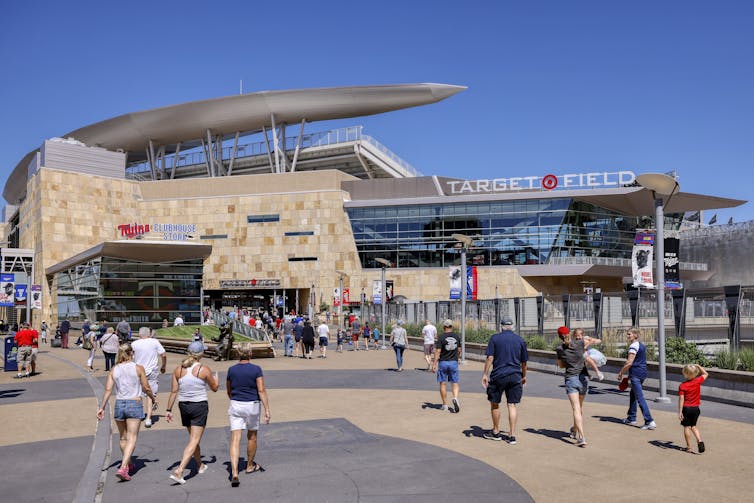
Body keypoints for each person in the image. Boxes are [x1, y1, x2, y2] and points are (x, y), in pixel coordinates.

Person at [96, 343, 157, 482]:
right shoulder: (138, 368)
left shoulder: (114, 369)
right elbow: (146, 387)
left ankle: (128, 463)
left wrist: (102, 407)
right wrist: (153, 398)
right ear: (132, 353)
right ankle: (123, 467)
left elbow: (108, 390)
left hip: (119, 403)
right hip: (134, 403)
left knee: (123, 438)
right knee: (132, 437)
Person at [165, 341, 219, 484]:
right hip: (199, 405)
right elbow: (215, 388)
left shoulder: (179, 369)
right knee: (194, 440)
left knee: (193, 439)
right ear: (201, 354)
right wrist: (217, 379)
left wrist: (168, 410)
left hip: (184, 405)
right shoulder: (203, 369)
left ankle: (200, 465)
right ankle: (179, 470)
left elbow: (173, 391)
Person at [226, 343, 271, 488]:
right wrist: (267, 409)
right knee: (252, 436)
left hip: (236, 404)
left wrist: (234, 398)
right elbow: (261, 390)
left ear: (238, 353)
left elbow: (229, 389)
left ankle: (234, 472)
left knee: (235, 439)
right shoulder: (256, 369)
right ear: (250, 353)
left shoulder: (231, 370)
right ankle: (250, 465)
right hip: (252, 404)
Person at [481, 318, 528, 445]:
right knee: (512, 405)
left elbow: (490, 357)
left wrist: (485, 374)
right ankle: (512, 435)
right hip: (515, 375)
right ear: (513, 326)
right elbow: (524, 362)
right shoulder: (520, 340)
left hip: (498, 375)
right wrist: (524, 375)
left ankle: (496, 432)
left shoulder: (495, 338)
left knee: (495, 403)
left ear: (501, 326)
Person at [555, 326, 601, 447]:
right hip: (583, 378)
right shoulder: (580, 343)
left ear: (559, 336)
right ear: (569, 333)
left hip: (571, 378)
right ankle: (575, 430)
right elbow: (597, 341)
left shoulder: (559, 348)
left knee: (576, 408)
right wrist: (588, 341)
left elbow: (560, 365)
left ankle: (581, 436)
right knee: (579, 407)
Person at [617, 327, 656, 430]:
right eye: (627, 334)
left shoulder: (633, 346)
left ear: (635, 335)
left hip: (636, 373)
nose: (627, 336)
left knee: (639, 397)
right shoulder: (641, 345)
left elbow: (629, 362)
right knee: (633, 395)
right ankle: (631, 417)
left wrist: (621, 373)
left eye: (629, 334)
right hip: (642, 372)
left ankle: (649, 421)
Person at [132, 327, 167, 428]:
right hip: (152, 371)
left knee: (138, 393)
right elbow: (163, 354)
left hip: (138, 371)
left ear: (139, 334)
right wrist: (163, 366)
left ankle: (139, 414)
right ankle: (148, 418)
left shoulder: (134, 344)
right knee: (151, 394)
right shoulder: (154, 342)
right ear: (149, 334)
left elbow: (130, 356)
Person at [432, 320, 461, 413]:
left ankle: (444, 405)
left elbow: (438, 351)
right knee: (455, 383)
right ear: (452, 326)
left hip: (443, 362)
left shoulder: (441, 337)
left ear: (444, 327)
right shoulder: (457, 336)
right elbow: (459, 349)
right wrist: (457, 357)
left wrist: (434, 363)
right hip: (453, 362)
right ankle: (455, 398)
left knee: (442, 383)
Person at [678, 363, 708, 453]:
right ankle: (699, 440)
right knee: (694, 426)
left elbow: (681, 399)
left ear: (685, 374)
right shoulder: (698, 381)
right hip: (696, 408)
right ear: (695, 373)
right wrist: (698, 366)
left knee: (687, 427)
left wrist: (680, 412)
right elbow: (706, 374)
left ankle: (688, 447)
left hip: (686, 409)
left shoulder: (682, 386)